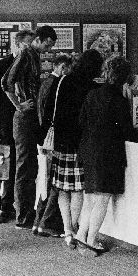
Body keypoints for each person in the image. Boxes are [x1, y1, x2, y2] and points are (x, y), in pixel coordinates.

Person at [76, 56, 135, 256]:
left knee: (90, 198)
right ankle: (91, 240)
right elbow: (127, 131)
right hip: (108, 154)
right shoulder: (119, 100)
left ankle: (81, 235)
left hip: (88, 151)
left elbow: (82, 121)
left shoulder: (92, 94)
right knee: (102, 199)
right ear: (125, 77)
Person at [47, 50, 103, 248]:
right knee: (78, 189)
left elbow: (52, 109)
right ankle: (75, 227)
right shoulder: (93, 88)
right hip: (80, 143)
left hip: (61, 141)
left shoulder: (63, 80)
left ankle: (67, 230)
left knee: (63, 188)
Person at [4, 26, 58, 229]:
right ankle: (23, 215)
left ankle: (27, 212)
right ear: (39, 39)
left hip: (31, 117)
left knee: (31, 166)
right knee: (25, 166)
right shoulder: (26, 54)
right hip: (24, 117)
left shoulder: (33, 56)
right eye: (48, 44)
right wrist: (19, 105)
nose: (48, 49)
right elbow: (6, 82)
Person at [0, 30, 33, 224]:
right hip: (3, 124)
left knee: (14, 167)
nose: (30, 48)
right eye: (27, 44)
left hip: (20, 125)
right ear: (17, 45)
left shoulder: (29, 65)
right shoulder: (0, 66)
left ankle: (7, 205)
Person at [33, 53, 73, 236]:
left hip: (44, 138)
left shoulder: (45, 83)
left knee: (44, 181)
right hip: (52, 139)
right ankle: (47, 222)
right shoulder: (57, 84)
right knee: (54, 183)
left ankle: (38, 221)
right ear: (63, 67)